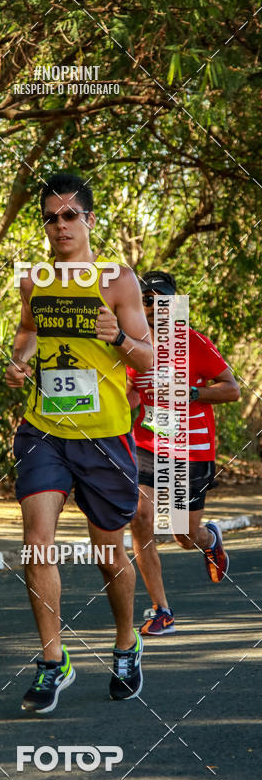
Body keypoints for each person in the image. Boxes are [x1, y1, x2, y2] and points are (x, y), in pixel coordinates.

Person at [5, 172, 153, 714]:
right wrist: (18, 364)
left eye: (70, 216)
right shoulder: (35, 279)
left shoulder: (117, 280)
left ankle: (125, 643)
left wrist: (115, 334)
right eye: (51, 216)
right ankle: (52, 662)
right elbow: (27, 332)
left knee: (109, 553)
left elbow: (149, 357)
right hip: (43, 428)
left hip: (105, 434)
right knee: (36, 540)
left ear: (89, 221)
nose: (60, 225)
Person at [126, 270, 240, 636]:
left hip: (190, 448)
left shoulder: (192, 342)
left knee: (183, 536)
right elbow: (132, 393)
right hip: (146, 443)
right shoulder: (132, 346)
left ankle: (208, 538)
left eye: (163, 299)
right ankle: (162, 610)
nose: (155, 305)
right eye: (147, 299)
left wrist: (192, 394)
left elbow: (231, 389)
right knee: (140, 517)